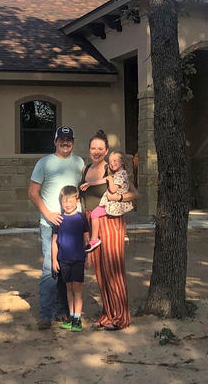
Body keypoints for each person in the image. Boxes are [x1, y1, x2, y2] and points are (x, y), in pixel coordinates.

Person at [79, 129, 138, 331]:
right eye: (93, 148)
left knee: (114, 270)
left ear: (106, 151)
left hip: (110, 221)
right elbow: (83, 201)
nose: (96, 151)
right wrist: (86, 234)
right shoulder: (85, 169)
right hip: (92, 222)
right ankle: (108, 315)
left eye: (100, 148)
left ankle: (121, 318)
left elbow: (134, 194)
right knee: (101, 273)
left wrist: (118, 198)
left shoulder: (111, 170)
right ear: (89, 149)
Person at [28, 125, 85, 330]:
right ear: (55, 141)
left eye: (68, 139)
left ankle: (63, 311)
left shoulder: (79, 162)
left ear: (72, 142)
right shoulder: (44, 163)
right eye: (61, 139)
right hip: (50, 224)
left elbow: (82, 189)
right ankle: (45, 314)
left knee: (66, 268)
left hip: (72, 225)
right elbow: (33, 192)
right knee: (49, 269)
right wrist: (48, 213)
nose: (65, 142)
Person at [52, 186, 90, 332]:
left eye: (70, 201)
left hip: (78, 259)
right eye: (64, 201)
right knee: (68, 289)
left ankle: (77, 319)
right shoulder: (59, 220)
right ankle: (71, 316)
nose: (67, 204)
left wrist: (89, 257)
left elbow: (87, 240)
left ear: (77, 201)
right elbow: (55, 241)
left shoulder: (81, 217)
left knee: (77, 289)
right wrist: (54, 260)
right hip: (64, 259)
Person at [84, 150, 134, 252]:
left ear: (122, 161)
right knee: (119, 218)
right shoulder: (118, 174)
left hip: (113, 203)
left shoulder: (120, 175)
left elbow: (113, 189)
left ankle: (94, 239)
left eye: (115, 160)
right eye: (110, 162)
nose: (112, 164)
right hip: (114, 202)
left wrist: (110, 180)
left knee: (94, 214)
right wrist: (90, 183)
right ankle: (124, 235)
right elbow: (102, 180)